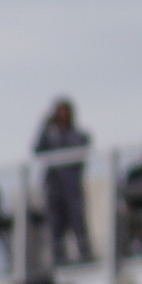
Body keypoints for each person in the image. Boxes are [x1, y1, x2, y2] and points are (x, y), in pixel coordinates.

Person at [36, 98, 93, 266]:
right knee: (55, 223)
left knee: (77, 220)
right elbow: (37, 149)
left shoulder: (77, 135)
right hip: (54, 186)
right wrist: (44, 126)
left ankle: (85, 253)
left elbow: (81, 151)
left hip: (72, 186)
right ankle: (59, 257)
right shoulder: (49, 135)